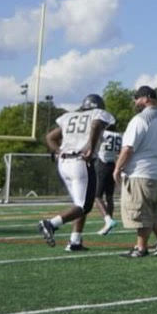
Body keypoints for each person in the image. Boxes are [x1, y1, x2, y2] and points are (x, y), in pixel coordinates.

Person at [114, 85, 157, 258]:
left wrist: (117, 168)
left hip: (141, 172)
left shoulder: (140, 120)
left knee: (141, 212)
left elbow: (128, 148)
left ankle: (141, 248)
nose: (136, 102)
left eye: (137, 98)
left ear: (146, 98)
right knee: (154, 213)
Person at [38, 94, 114, 251]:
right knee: (84, 205)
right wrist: (91, 147)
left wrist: (58, 151)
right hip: (81, 162)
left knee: (79, 203)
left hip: (64, 163)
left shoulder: (70, 116)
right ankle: (51, 223)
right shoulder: (97, 114)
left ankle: (75, 241)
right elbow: (95, 125)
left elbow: (50, 137)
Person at [94, 120, 123, 235]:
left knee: (97, 196)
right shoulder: (119, 135)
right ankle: (109, 224)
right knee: (109, 197)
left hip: (103, 164)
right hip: (113, 164)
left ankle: (108, 220)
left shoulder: (104, 134)